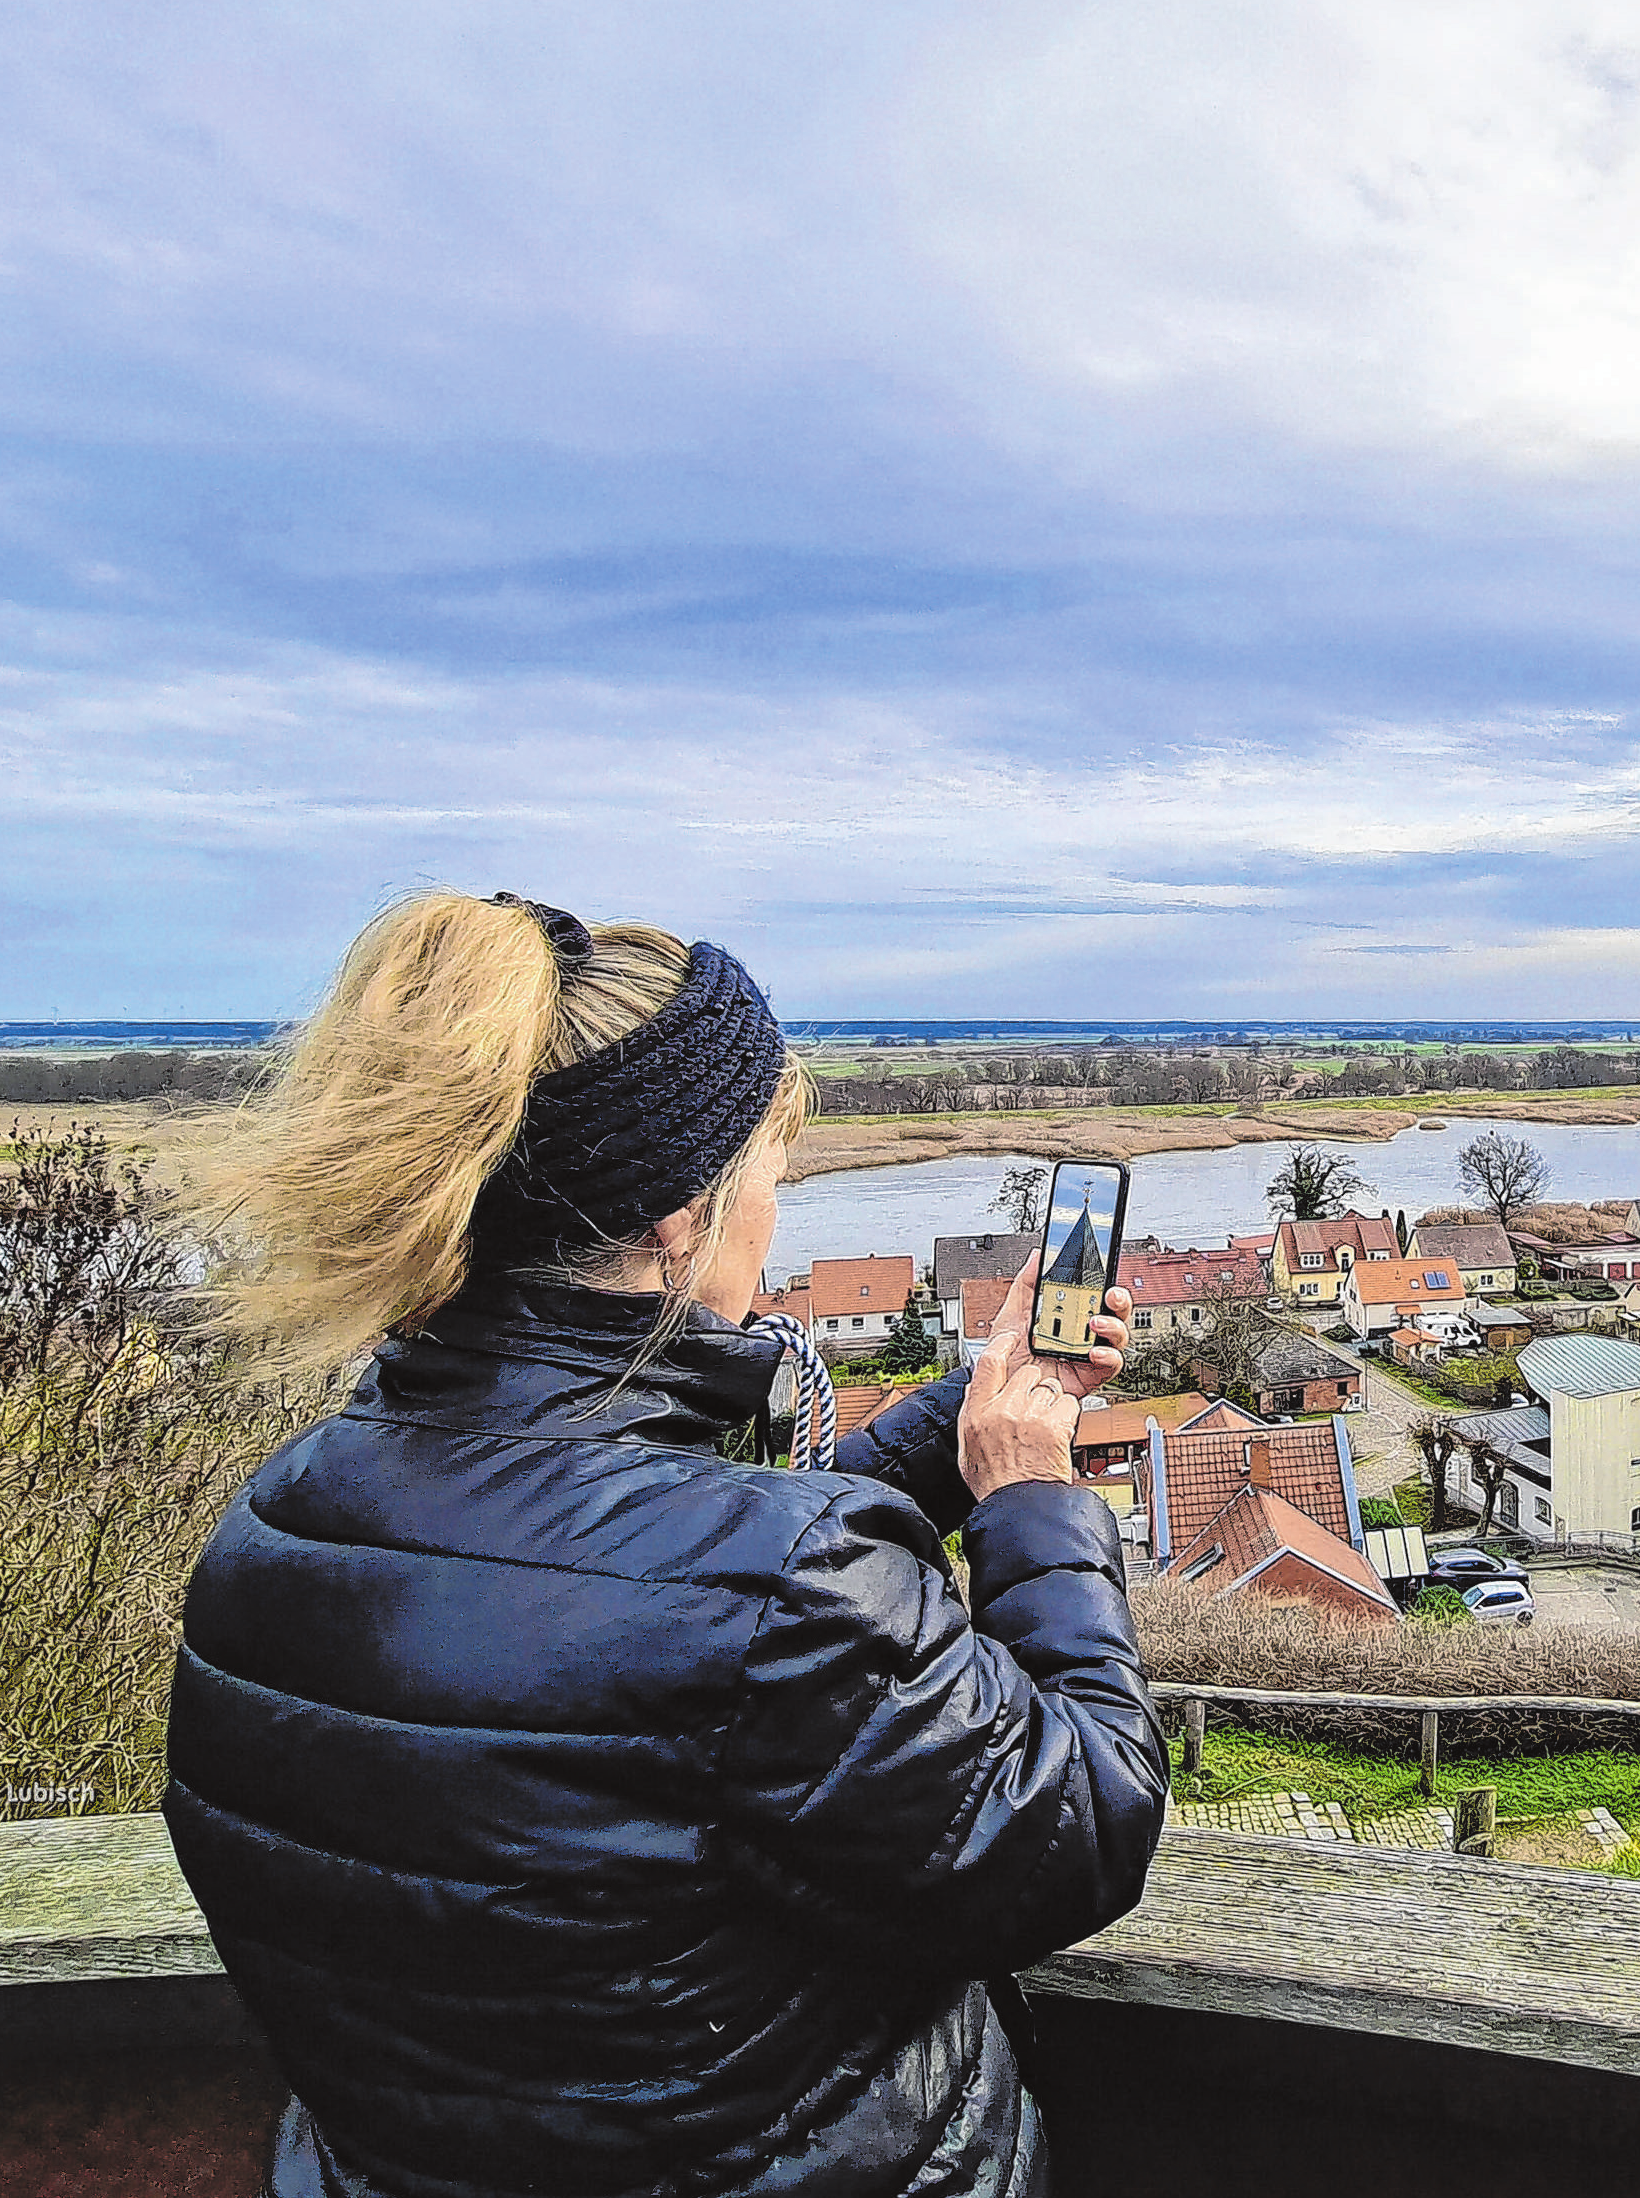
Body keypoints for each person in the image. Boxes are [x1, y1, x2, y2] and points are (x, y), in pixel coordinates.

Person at [163, 891, 1165, 2198]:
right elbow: (1078, 1821)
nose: (778, 1207)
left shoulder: (275, 1528)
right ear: (681, 1219)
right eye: (768, 1176)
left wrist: (960, 1413)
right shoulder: (772, 1588)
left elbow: (663, 1591)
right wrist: (1028, 1484)